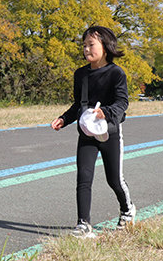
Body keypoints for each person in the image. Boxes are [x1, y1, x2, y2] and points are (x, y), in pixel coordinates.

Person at [51, 26, 135, 237]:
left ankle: (127, 210)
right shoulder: (81, 74)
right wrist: (64, 119)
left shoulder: (116, 73)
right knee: (84, 177)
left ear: (105, 47)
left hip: (110, 133)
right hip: (86, 134)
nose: (87, 49)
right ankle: (83, 224)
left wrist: (105, 112)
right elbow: (78, 104)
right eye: (84, 45)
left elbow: (122, 102)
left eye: (91, 45)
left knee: (114, 179)